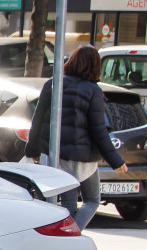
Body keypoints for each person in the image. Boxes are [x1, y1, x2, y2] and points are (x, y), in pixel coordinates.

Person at [25, 44, 127, 229]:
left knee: (68, 204)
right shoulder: (93, 91)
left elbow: (37, 119)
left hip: (56, 155)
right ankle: (72, 236)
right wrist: (116, 161)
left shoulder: (53, 83)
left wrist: (33, 149)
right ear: (94, 65)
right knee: (92, 200)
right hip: (83, 158)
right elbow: (99, 130)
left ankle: (63, 239)